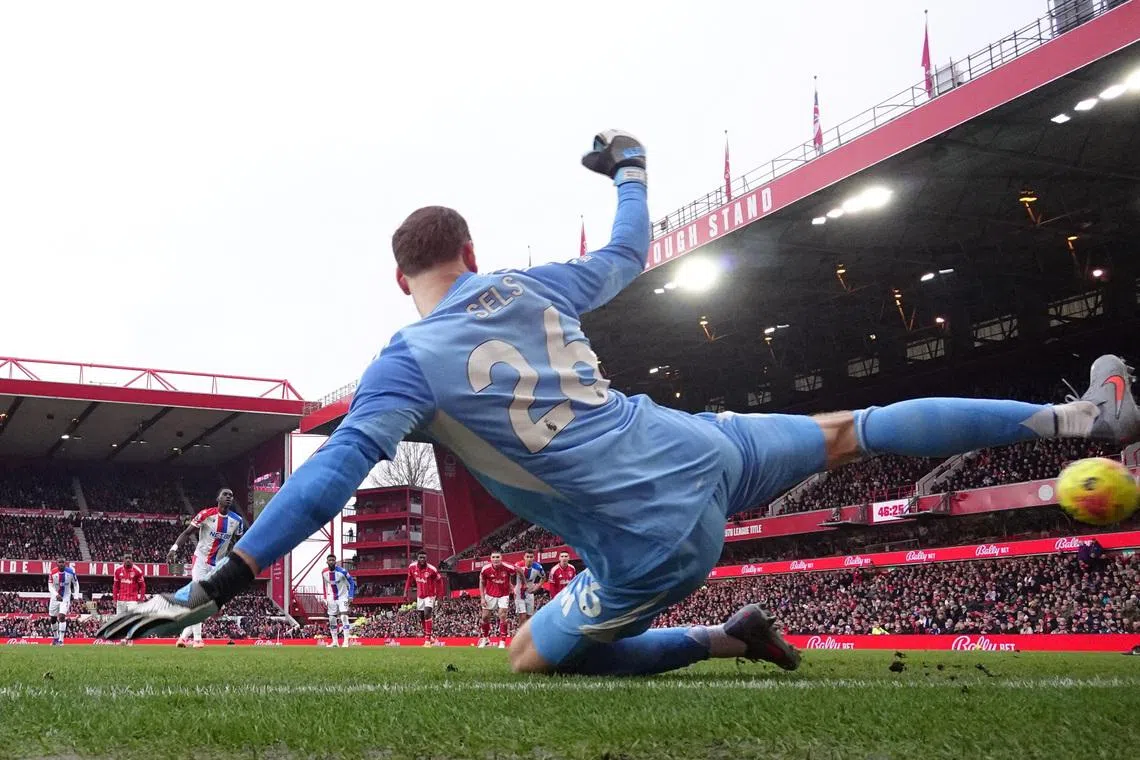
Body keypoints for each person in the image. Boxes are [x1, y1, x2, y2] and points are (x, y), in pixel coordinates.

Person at [99, 130, 1140, 677]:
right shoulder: (535, 285)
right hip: (698, 441)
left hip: (649, 542)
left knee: (533, 653)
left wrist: (213, 589)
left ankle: (725, 639)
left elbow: (328, 474)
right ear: (471, 254)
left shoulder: (403, 361)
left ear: (399, 278)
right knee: (854, 429)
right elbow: (633, 249)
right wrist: (631, 165)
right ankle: (1072, 423)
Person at [168, 487, 244, 648]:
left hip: (219, 565)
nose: (229, 497)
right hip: (201, 561)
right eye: (225, 494)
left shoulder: (237, 520)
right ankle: (197, 640)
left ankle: (182, 638)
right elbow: (187, 533)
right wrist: (174, 548)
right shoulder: (206, 515)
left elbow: (240, 542)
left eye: (231, 495)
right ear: (218, 498)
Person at [479, 552, 516, 648]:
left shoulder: (508, 567)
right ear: (490, 559)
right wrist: (482, 597)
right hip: (490, 595)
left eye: (497, 557)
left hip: (504, 595)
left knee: (503, 615)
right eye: (494, 557)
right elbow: (482, 583)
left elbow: (516, 571)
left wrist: (512, 584)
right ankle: (485, 639)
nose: (496, 559)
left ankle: (502, 641)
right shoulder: (485, 569)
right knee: (485, 617)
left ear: (501, 558)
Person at [403, 550, 441, 645]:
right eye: (420, 557)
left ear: (426, 558)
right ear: (417, 558)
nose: (422, 559)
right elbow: (409, 580)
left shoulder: (432, 569)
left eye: (424, 557)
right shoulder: (412, 567)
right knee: (422, 616)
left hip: (430, 595)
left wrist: (440, 596)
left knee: (427, 613)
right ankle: (429, 636)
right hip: (420, 596)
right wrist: (405, 592)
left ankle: (427, 640)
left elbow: (440, 581)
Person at [320, 553, 355, 647]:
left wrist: (351, 596)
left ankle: (346, 641)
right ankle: (335, 642)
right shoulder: (324, 572)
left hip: (343, 596)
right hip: (331, 597)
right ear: (327, 562)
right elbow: (325, 585)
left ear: (335, 561)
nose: (331, 562)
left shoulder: (343, 572)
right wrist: (325, 597)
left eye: (333, 560)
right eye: (330, 560)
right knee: (332, 619)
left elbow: (352, 582)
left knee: (344, 617)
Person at [47, 559, 79, 646]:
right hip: (54, 598)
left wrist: (76, 596)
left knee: (61, 617)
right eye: (59, 562)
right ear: (56, 563)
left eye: (63, 562)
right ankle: (56, 638)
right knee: (53, 619)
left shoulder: (71, 572)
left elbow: (76, 584)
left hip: (65, 597)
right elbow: (50, 586)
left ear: (65, 563)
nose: (61, 564)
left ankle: (61, 640)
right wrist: (56, 594)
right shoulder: (52, 573)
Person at [514, 550, 545, 626]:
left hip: (530, 593)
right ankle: (520, 635)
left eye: (531, 557)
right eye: (527, 557)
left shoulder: (538, 567)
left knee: (529, 617)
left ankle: (526, 635)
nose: (529, 559)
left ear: (534, 557)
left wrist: (537, 587)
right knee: (522, 616)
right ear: (524, 557)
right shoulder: (518, 565)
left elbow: (543, 578)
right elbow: (511, 574)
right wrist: (511, 586)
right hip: (519, 594)